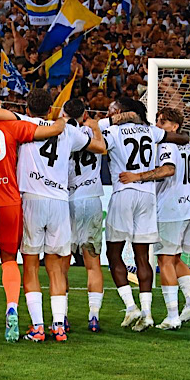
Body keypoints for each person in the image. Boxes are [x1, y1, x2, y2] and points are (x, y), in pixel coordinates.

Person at [0, 87, 99, 342]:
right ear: (51, 108)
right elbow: (99, 147)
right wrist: (92, 127)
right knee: (55, 266)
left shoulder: (23, 121)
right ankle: (59, 326)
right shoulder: (68, 129)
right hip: (60, 201)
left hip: (31, 199)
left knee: (30, 264)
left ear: (27, 108)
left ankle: (38, 327)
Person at [0, 82, 65, 343]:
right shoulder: (11, 125)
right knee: (10, 259)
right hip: (10, 201)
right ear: (0, 103)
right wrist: (63, 121)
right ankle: (12, 308)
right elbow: (50, 130)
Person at [91, 98, 188, 332]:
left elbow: (93, 133)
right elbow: (183, 139)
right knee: (142, 257)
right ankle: (147, 314)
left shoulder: (112, 130)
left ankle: (131, 306)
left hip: (124, 192)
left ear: (121, 112)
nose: (109, 113)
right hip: (147, 196)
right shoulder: (151, 131)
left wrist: (108, 121)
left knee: (113, 254)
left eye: (112, 110)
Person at [153, 107, 190, 330]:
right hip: (188, 210)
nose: (158, 126)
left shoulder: (166, 145)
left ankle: (172, 315)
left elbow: (168, 171)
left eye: (162, 123)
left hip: (170, 211)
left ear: (174, 127)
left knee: (164, 260)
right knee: (175, 259)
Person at [63, 99, 107, 332]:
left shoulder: (61, 133)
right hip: (91, 200)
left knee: (62, 264)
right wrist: (96, 125)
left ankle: (63, 317)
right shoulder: (94, 133)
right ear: (85, 114)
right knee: (93, 263)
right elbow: (103, 147)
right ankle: (93, 316)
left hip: (67, 201)